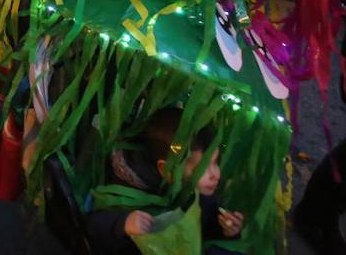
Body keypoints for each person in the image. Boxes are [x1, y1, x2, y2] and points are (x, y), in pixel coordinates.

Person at [86, 107, 244, 254]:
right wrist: (123, 223)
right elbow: (91, 225)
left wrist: (225, 230)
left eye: (215, 162)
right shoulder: (125, 187)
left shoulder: (196, 193)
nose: (216, 174)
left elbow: (204, 223)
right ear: (167, 170)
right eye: (201, 169)